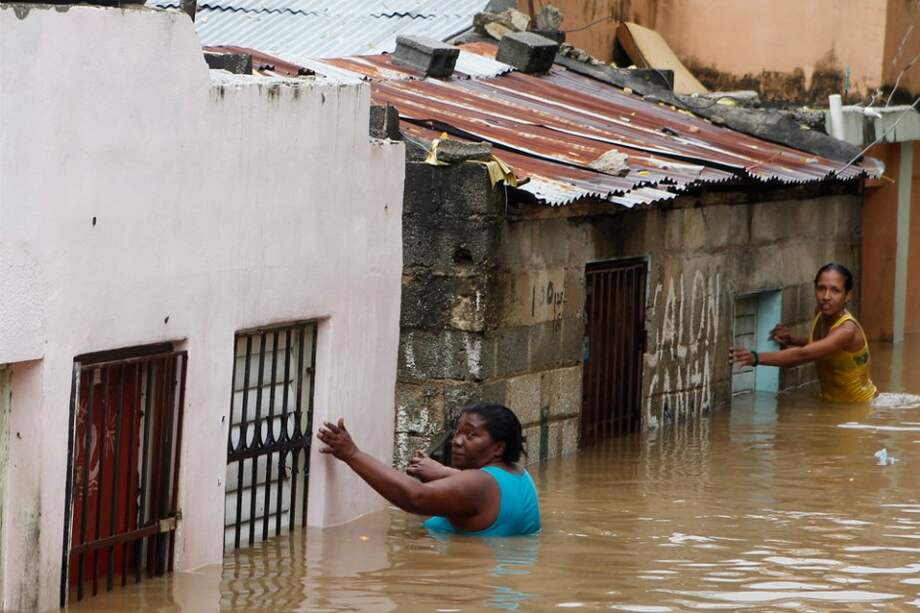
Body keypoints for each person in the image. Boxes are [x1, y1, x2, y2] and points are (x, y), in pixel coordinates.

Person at [317, 403, 541, 536]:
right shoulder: (520, 475)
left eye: (471, 435)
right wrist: (445, 472)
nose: (457, 441)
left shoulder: (479, 484)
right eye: (458, 432)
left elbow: (416, 497)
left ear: (498, 447)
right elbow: (480, 488)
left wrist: (352, 454)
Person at [730, 262, 878, 403]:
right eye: (821, 288)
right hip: (831, 403)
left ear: (848, 295)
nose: (826, 296)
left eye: (835, 290)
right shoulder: (820, 313)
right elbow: (821, 345)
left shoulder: (847, 331)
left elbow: (804, 355)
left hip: (858, 407)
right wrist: (791, 339)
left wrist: (755, 358)